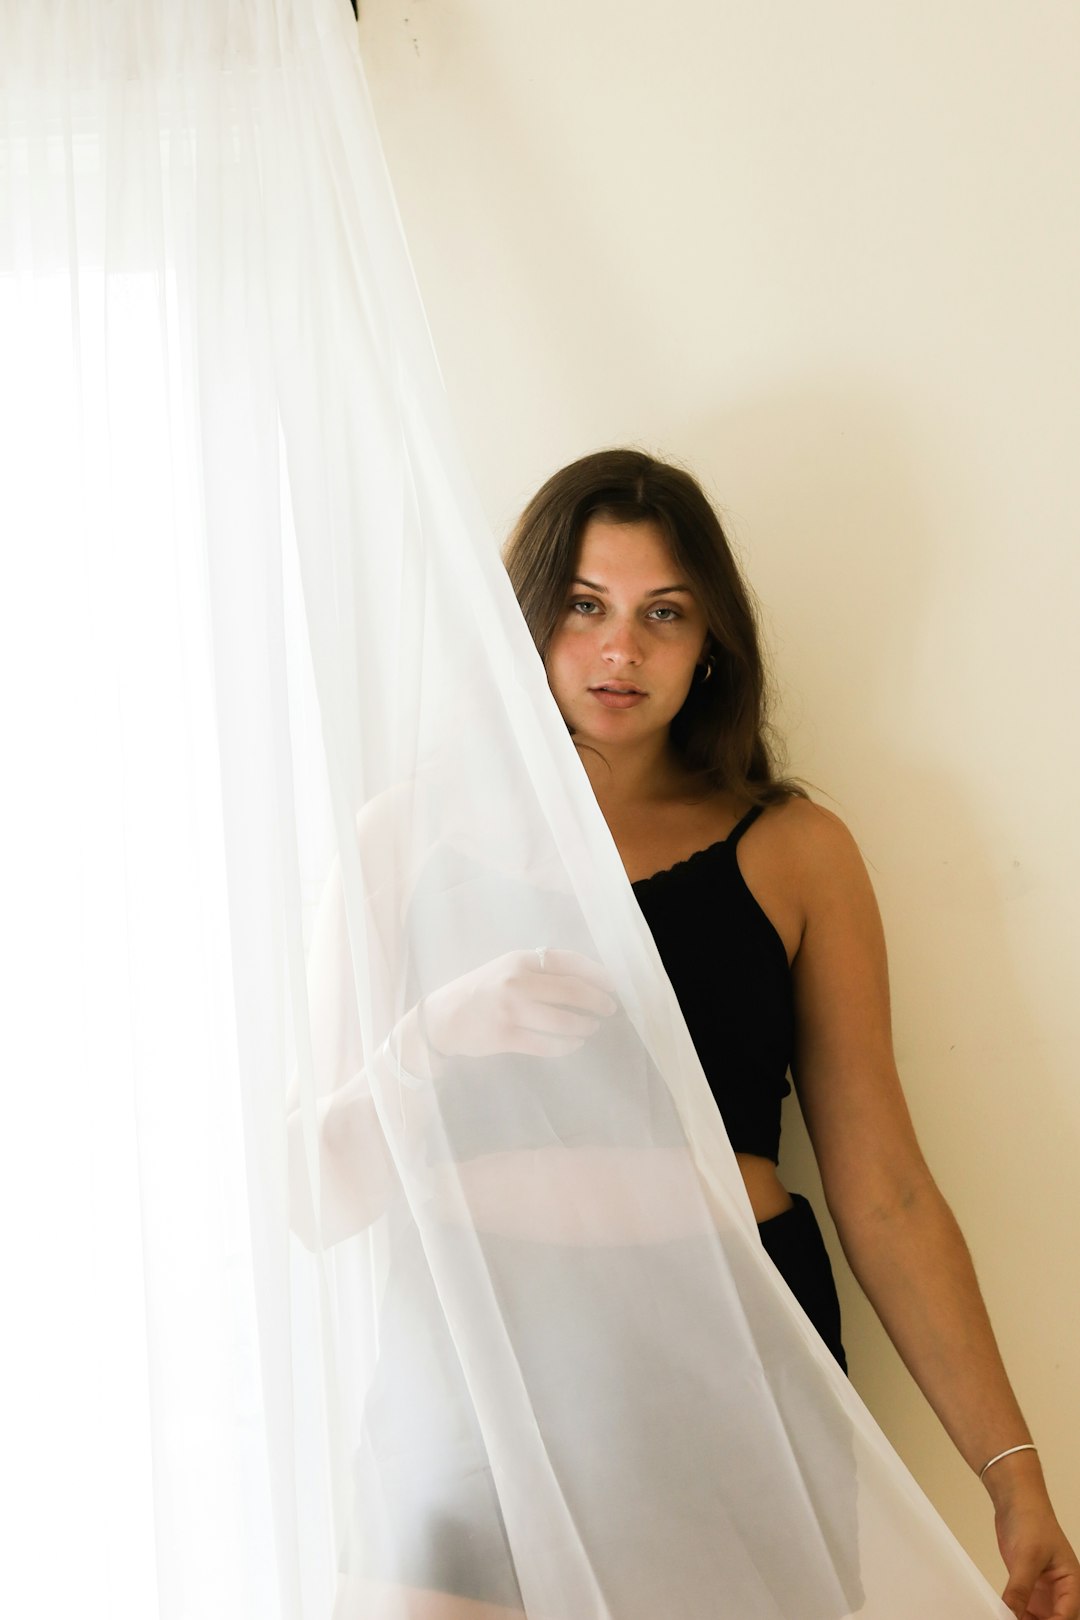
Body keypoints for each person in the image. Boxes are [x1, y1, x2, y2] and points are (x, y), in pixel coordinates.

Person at [290, 448, 1078, 1620]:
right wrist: (431, 1035)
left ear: (711, 640)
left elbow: (888, 1193)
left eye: (664, 613)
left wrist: (1014, 1479)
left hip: (722, 1372)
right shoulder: (396, 842)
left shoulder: (795, 849)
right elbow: (314, 1194)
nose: (622, 650)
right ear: (527, 623)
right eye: (586, 608)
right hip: (470, 1371)